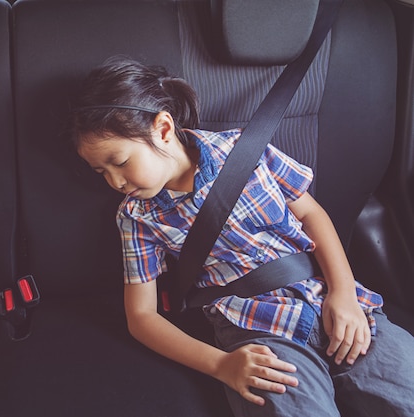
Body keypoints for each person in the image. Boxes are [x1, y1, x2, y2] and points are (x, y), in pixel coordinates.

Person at [70, 56, 414, 416]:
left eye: (120, 162)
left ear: (163, 129)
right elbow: (141, 317)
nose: (115, 182)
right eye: (100, 171)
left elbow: (311, 213)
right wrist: (221, 364)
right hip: (259, 331)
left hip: (331, 298)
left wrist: (344, 293)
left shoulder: (244, 150)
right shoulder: (138, 217)